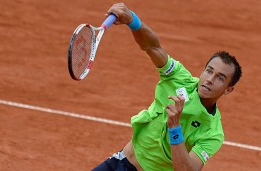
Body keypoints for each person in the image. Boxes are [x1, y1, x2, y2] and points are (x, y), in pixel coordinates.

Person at [92, 2, 242, 171]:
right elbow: (152, 47)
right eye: (209, 71)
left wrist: (174, 127)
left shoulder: (213, 133)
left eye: (220, 78)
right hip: (120, 161)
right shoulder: (179, 77)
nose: (209, 79)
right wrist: (132, 20)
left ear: (228, 89)